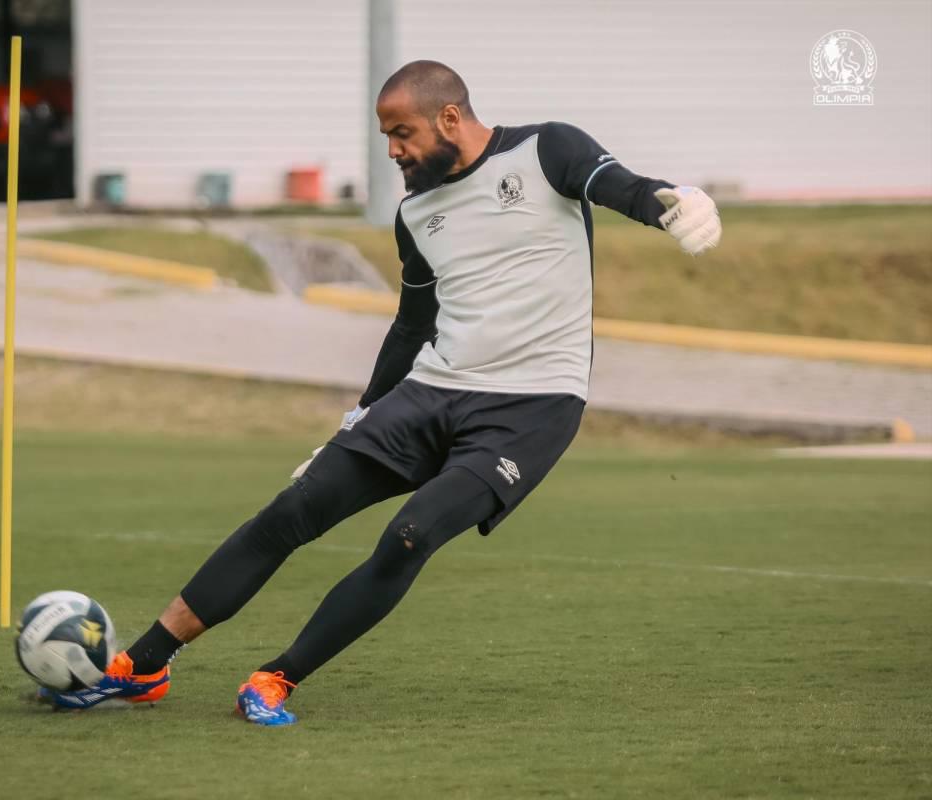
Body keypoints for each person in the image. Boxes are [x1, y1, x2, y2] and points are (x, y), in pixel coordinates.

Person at [39, 60, 722, 725]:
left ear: (449, 117)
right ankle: (144, 664)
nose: (393, 152)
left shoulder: (549, 149)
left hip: (531, 409)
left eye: (403, 134)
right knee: (290, 512)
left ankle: (276, 677)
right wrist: (358, 417)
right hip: (433, 390)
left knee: (408, 535)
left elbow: (622, 187)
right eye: (387, 137)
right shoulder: (418, 212)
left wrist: (673, 205)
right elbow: (411, 327)